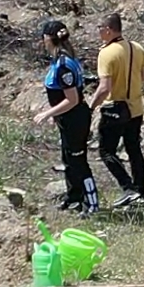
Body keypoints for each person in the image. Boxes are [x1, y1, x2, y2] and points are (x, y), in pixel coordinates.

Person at [31, 19, 98, 214]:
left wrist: (47, 113)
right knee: (68, 159)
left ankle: (91, 204)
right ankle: (73, 197)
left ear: (48, 39)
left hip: (75, 118)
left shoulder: (63, 65)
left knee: (78, 160)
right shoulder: (62, 60)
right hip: (67, 119)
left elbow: (72, 99)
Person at [89, 11, 144, 206]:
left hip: (115, 108)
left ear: (108, 30)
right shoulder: (137, 48)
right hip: (136, 108)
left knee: (107, 151)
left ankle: (127, 188)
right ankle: (140, 191)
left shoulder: (106, 53)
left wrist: (91, 106)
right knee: (134, 149)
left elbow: (104, 88)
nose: (98, 32)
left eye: (100, 29)